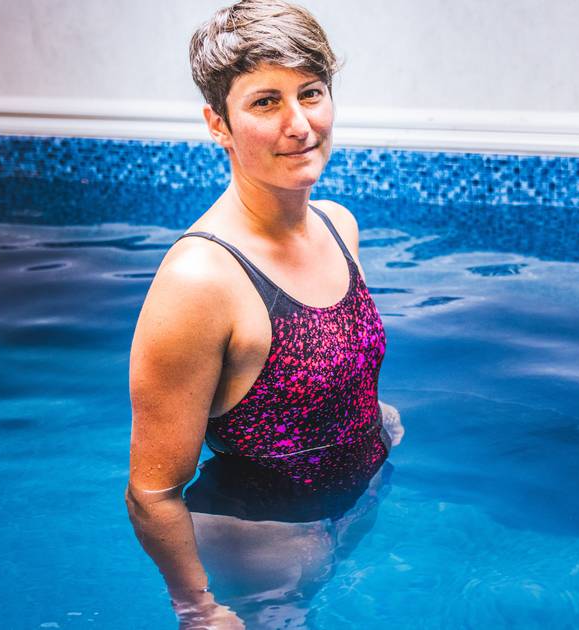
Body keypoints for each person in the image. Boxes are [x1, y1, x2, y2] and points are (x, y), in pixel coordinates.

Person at [124, 1, 404, 625]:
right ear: (218, 124)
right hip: (266, 545)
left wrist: (380, 426)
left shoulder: (338, 226)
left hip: (355, 501)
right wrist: (198, 609)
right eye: (265, 102)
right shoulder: (201, 280)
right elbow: (151, 492)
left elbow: (332, 375)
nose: (299, 125)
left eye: (311, 93)